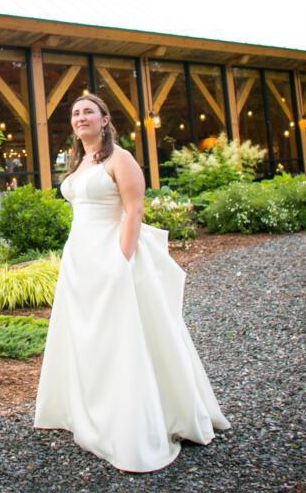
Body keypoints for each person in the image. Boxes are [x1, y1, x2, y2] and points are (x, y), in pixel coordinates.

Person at [34, 93, 231, 472]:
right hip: (80, 259)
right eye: (75, 113)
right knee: (87, 337)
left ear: (105, 119)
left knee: (121, 338)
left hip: (112, 256)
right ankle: (92, 412)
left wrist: (120, 261)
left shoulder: (120, 159)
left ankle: (133, 424)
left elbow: (134, 210)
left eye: (88, 112)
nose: (80, 118)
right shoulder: (79, 162)